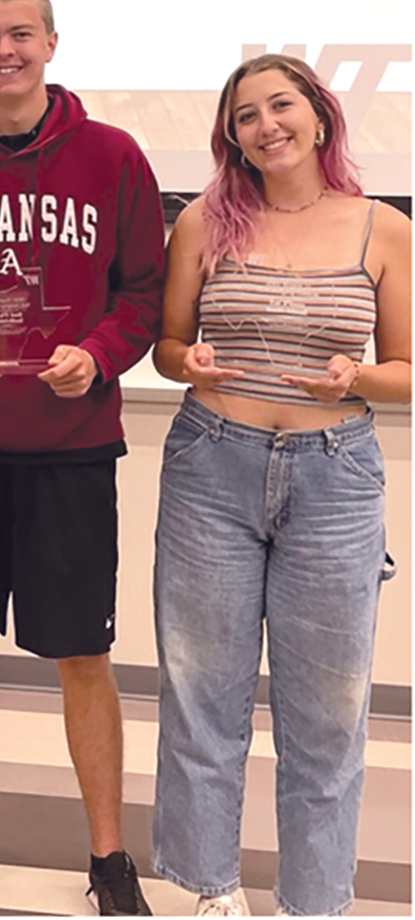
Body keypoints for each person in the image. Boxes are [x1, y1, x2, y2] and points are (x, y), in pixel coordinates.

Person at [0, 0, 164, 916]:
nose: (2, 50)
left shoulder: (115, 156)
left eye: (19, 34)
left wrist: (96, 357)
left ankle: (108, 857)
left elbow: (143, 295)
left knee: (82, 656)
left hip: (72, 447)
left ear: (52, 42)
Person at [151, 54, 411, 918]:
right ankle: (213, 890)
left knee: (329, 715)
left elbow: (407, 371)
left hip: (335, 479)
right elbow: (167, 347)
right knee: (202, 693)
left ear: (320, 115)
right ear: (232, 136)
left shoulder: (383, 228)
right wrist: (186, 359)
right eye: (247, 115)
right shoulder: (201, 223)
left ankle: (312, 900)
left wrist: (357, 379)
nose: (267, 125)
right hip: (210, 467)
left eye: (282, 105)